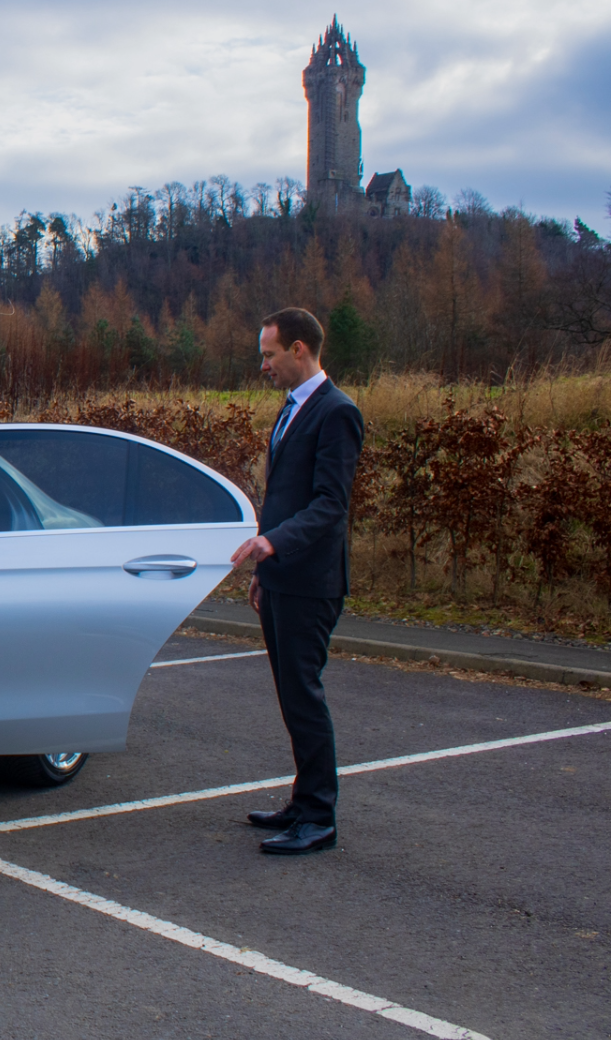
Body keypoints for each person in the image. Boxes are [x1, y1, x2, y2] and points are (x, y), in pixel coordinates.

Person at [228, 307, 363, 855]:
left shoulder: (337, 413)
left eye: (269, 354)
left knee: (304, 695)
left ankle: (319, 817)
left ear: (300, 349)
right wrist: (267, 567)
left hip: (312, 581)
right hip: (284, 577)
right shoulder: (291, 408)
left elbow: (331, 505)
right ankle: (302, 800)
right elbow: (282, 499)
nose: (264, 365)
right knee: (290, 695)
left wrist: (274, 544)